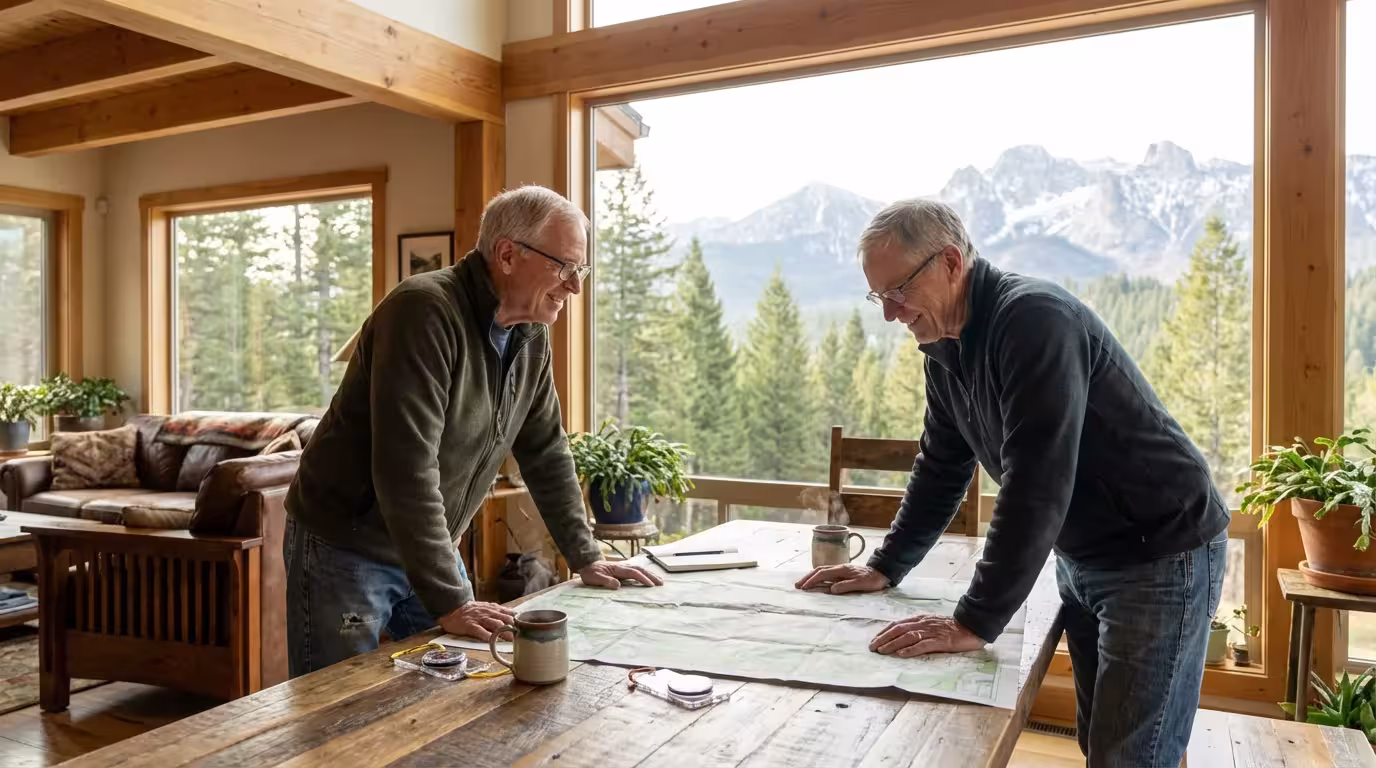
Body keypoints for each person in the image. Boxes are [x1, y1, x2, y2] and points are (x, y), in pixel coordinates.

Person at [795, 199, 1229, 767]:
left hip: (1161, 553)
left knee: (1133, 757)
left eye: (898, 291)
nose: (890, 314)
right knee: (1103, 744)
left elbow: (1037, 482)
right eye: (880, 297)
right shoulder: (943, 350)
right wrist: (885, 565)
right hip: (1087, 555)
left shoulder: (1032, 320)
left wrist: (973, 620)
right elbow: (941, 466)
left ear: (950, 262)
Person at [283, 185, 661, 676]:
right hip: (348, 547)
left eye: (580, 270)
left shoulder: (530, 335)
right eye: (565, 267)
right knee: (334, 704)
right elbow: (406, 469)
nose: (575, 286)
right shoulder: (422, 311)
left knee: (462, 682)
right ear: (507, 254)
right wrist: (451, 598)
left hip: (428, 543)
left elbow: (545, 449)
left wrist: (585, 554)